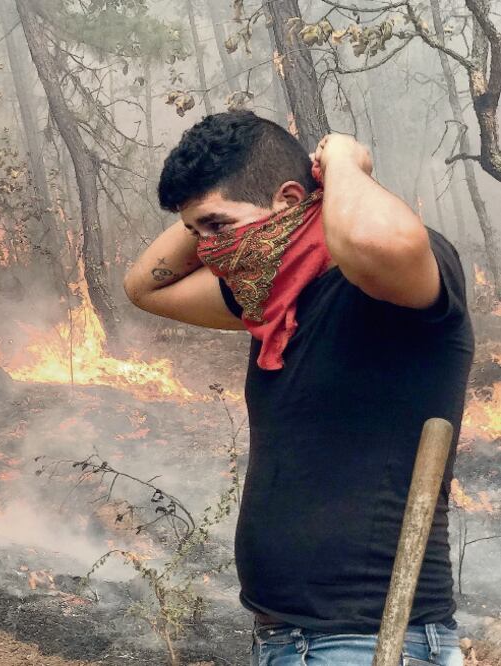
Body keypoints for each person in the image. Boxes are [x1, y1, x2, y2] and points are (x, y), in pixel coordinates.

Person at [124, 110, 472, 666]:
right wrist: (203, 212)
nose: (209, 249)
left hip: (371, 639)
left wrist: (343, 163)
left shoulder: (393, 287)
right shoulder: (273, 301)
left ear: (289, 200)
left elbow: (379, 241)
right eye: (197, 234)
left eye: (218, 226)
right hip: (291, 640)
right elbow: (144, 286)